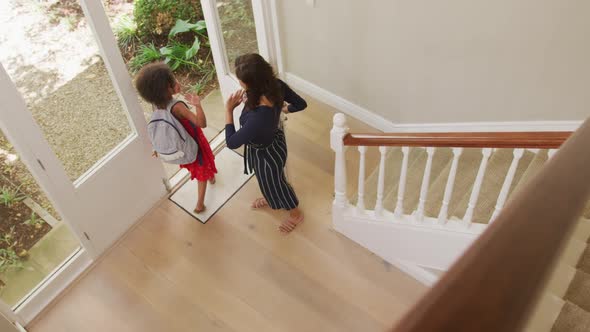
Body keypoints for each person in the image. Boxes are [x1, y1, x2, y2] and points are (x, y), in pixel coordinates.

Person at [225, 53, 307, 233]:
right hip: (273, 142)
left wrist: (229, 110)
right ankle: (271, 198)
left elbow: (231, 142)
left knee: (277, 184)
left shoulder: (257, 118)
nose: (239, 82)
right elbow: (301, 104)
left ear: (251, 84)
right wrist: (285, 108)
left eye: (240, 80)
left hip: (267, 156)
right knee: (268, 182)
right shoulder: (275, 85)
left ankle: (295, 213)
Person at [135, 62, 217, 213]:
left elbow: (161, 129)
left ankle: (210, 175)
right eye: (172, 81)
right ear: (166, 90)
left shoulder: (156, 106)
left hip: (181, 147)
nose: (177, 82)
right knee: (201, 171)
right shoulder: (178, 106)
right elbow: (201, 123)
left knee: (197, 167)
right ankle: (200, 204)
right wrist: (198, 105)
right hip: (194, 144)